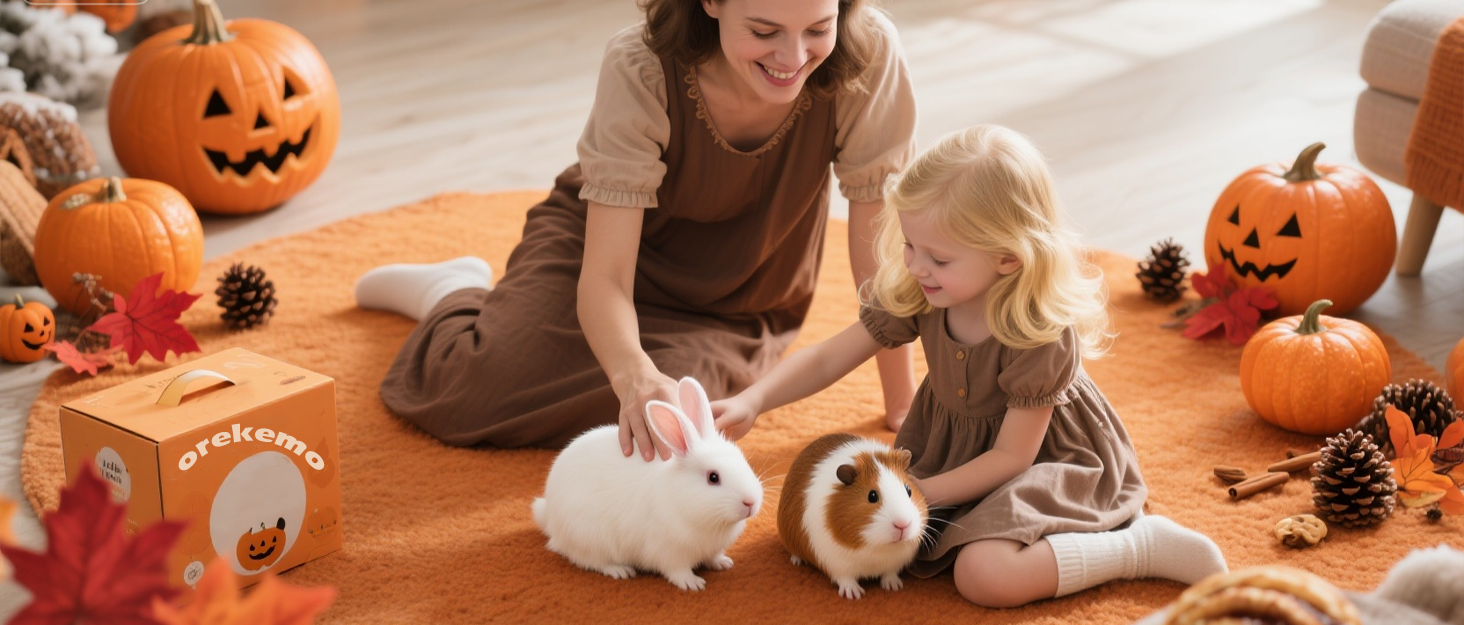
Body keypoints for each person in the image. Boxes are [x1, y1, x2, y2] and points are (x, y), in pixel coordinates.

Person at [353, 0, 919, 457]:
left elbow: (879, 257)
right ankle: (452, 293)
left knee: (679, 419)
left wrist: (902, 402)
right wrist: (632, 375)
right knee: (472, 391)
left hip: (741, 289)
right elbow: (604, 278)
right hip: (603, 248)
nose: (793, 56)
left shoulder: (864, 52)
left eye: (818, 27)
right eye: (766, 30)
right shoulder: (641, 66)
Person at [710, 125, 1228, 607]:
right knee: (884, 541)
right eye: (910, 246)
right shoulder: (924, 288)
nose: (915, 266)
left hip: (1043, 461)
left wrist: (918, 496)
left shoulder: (1039, 331)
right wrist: (755, 398)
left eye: (937, 257)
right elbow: (832, 353)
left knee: (983, 576)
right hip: (957, 455)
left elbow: (1011, 458)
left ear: (1009, 258)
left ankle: (1141, 547)